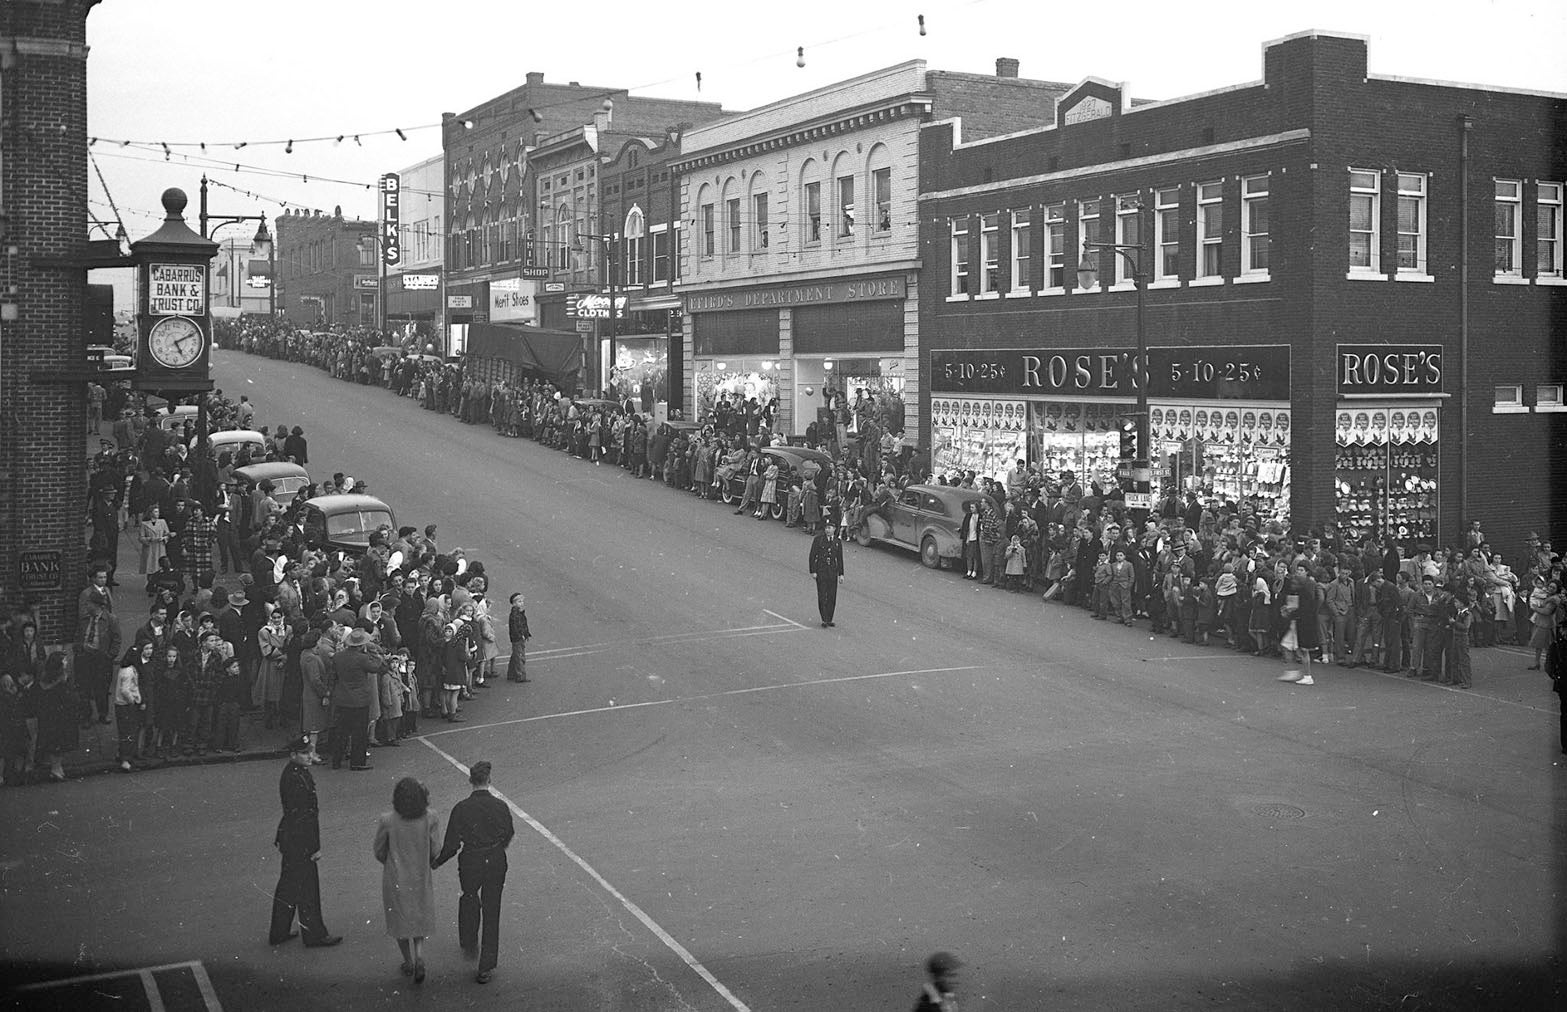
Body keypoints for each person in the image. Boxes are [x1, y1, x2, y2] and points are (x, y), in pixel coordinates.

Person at [433, 760, 515, 984]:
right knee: (492, 908)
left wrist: (438, 861)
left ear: (471, 781)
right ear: (489, 780)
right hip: (495, 857)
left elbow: (451, 844)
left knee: (469, 896)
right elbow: (508, 832)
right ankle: (486, 965)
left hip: (471, 859)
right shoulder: (500, 806)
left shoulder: (461, 808)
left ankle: (469, 939)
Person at [268, 735, 342, 948]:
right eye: (305, 753)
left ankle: (279, 931)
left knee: (289, 886)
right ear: (293, 755)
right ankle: (315, 935)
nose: (310, 756)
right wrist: (314, 847)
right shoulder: (296, 779)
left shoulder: (295, 773)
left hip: (290, 838)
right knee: (308, 888)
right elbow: (305, 817)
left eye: (310, 752)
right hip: (299, 840)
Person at [374, 777, 441, 984]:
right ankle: (420, 955)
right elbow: (435, 849)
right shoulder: (431, 818)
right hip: (420, 875)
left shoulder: (387, 820)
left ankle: (408, 961)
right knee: (418, 916)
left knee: (399, 920)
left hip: (396, 877)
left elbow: (379, 850)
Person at [807, 525, 846, 628]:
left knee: (832, 596)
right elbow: (812, 556)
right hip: (821, 571)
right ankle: (824, 619)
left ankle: (829, 618)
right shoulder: (818, 540)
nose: (828, 530)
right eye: (826, 528)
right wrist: (813, 571)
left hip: (832, 572)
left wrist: (841, 574)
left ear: (834, 529)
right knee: (822, 595)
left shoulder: (837, 542)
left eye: (830, 528)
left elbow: (839, 559)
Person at [506, 593, 531, 683]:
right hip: (518, 638)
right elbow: (517, 626)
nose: (522, 603)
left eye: (522, 601)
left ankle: (511, 674)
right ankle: (520, 676)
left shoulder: (517, 612)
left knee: (515, 655)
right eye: (519, 601)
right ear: (514, 603)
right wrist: (522, 635)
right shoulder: (516, 614)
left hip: (516, 637)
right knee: (520, 656)